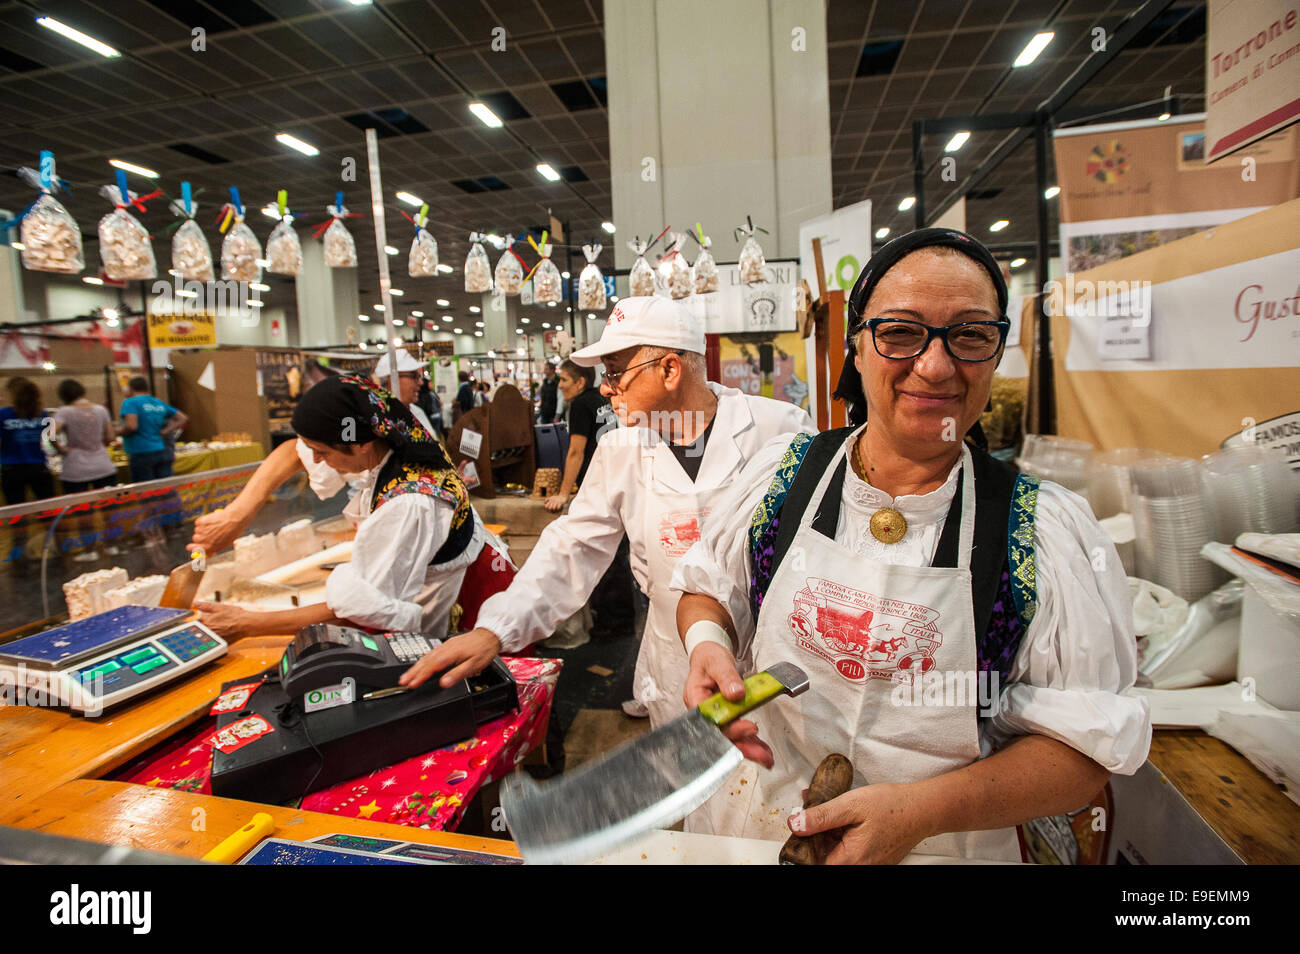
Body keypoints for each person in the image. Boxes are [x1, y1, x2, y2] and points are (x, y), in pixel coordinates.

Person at [670, 228, 1151, 860]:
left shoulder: (1039, 530)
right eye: (900, 331)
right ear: (859, 348)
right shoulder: (784, 477)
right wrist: (708, 644)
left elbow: (1084, 752)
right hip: (756, 826)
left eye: (971, 335)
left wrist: (919, 812)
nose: (934, 364)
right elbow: (707, 589)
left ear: (996, 351)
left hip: (942, 847)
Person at [398, 296, 814, 725]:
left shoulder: (779, 428)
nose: (605, 387)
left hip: (769, 652)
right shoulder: (620, 450)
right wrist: (497, 628)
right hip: (675, 658)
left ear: (670, 370)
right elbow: (574, 547)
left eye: (615, 372)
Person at [196, 376, 514, 642]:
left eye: (321, 452)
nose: (316, 461)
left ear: (360, 443)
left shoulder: (409, 503)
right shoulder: (385, 438)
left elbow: (365, 610)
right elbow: (293, 452)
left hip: (472, 601)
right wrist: (236, 515)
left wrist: (248, 623)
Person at [545, 360, 614, 513]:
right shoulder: (600, 398)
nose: (560, 385)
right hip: (611, 479)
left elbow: (576, 453)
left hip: (594, 485)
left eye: (564, 379)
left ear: (580, 382)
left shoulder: (580, 405)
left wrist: (563, 495)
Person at [52, 379, 117, 493]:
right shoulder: (101, 410)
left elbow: (49, 433)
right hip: (102, 464)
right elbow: (111, 437)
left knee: (79, 508)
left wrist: (61, 449)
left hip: (75, 467)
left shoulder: (64, 411)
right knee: (109, 506)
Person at [119, 377, 188, 482]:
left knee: (146, 490)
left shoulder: (130, 402)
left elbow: (131, 426)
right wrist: (164, 431)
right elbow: (182, 418)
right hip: (160, 449)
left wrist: (117, 432)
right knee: (164, 487)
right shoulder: (157, 402)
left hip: (140, 451)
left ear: (131, 388)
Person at [0, 377, 54, 504]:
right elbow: (52, 439)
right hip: (38, 465)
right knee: (47, 506)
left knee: (16, 509)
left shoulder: (3, 414)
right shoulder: (42, 414)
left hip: (12, 467)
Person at [374, 349, 436, 436]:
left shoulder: (416, 411)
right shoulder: (379, 420)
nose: (421, 382)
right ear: (391, 380)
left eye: (419, 376)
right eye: (414, 376)